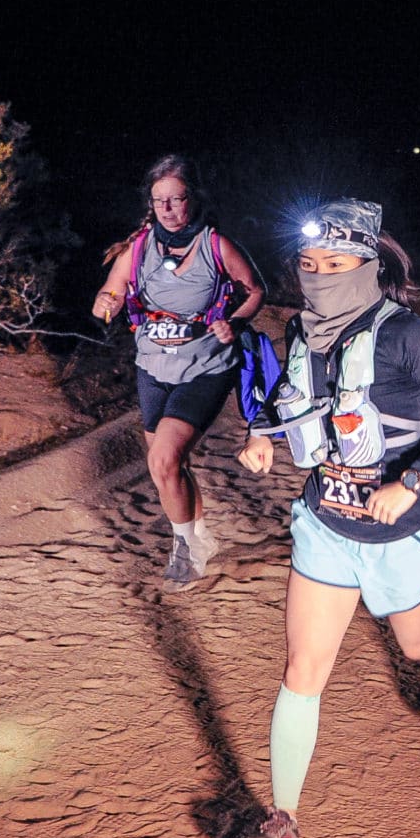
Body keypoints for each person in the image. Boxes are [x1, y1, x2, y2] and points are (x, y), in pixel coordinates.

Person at [232, 199, 420, 838]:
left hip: (403, 529)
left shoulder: (409, 337)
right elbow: (291, 399)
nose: (320, 276)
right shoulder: (302, 331)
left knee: (418, 643)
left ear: (370, 265)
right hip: (325, 523)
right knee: (302, 668)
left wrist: (415, 480)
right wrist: (262, 435)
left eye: (336, 263)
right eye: (309, 264)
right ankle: (283, 822)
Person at [92, 154, 265, 588]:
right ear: (150, 203)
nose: (167, 209)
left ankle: (185, 550)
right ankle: (200, 537)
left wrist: (234, 321)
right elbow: (109, 294)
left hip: (205, 366)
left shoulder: (215, 244)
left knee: (163, 458)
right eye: (159, 201)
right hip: (152, 366)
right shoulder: (138, 248)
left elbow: (254, 290)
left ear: (193, 198)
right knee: (169, 467)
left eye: (177, 199)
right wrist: (106, 303)